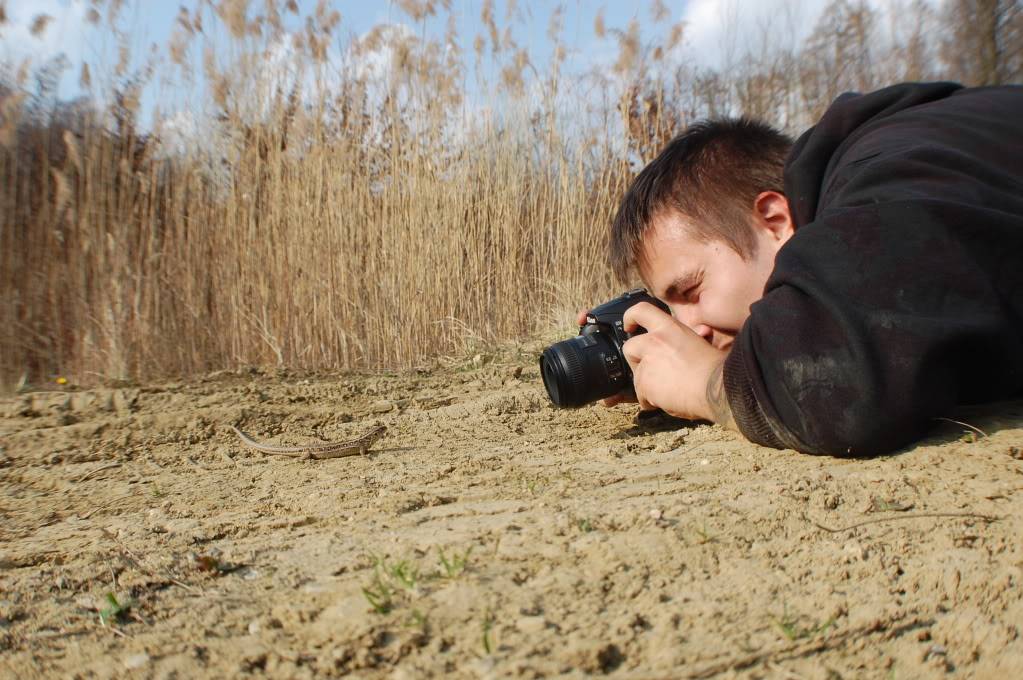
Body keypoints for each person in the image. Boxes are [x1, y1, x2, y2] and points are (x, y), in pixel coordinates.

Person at [591, 81, 1023, 456]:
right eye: (671, 307)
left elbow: (845, 374)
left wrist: (707, 383)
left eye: (692, 290)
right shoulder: (900, 157)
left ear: (774, 221)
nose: (693, 328)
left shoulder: (886, 173)